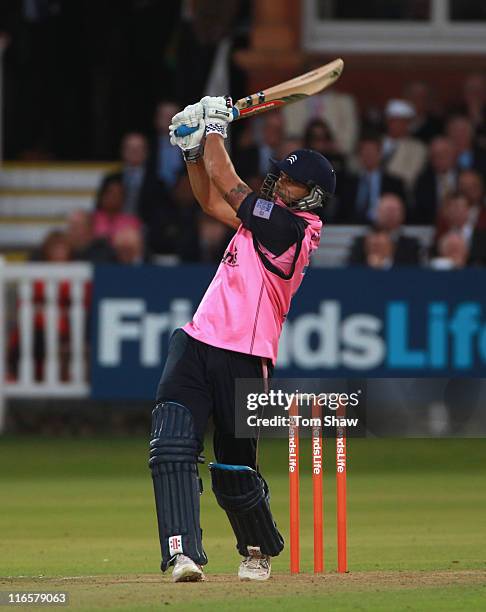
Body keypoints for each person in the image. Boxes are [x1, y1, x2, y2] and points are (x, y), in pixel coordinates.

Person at [149, 96, 336, 583]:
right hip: (196, 339)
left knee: (234, 468)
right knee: (170, 446)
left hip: (245, 355)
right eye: (279, 175)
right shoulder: (265, 218)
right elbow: (210, 199)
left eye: (289, 180)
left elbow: (229, 187)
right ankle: (181, 554)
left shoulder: (294, 231)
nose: (278, 182)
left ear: (311, 195)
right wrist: (192, 150)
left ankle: (257, 547)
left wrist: (213, 129)